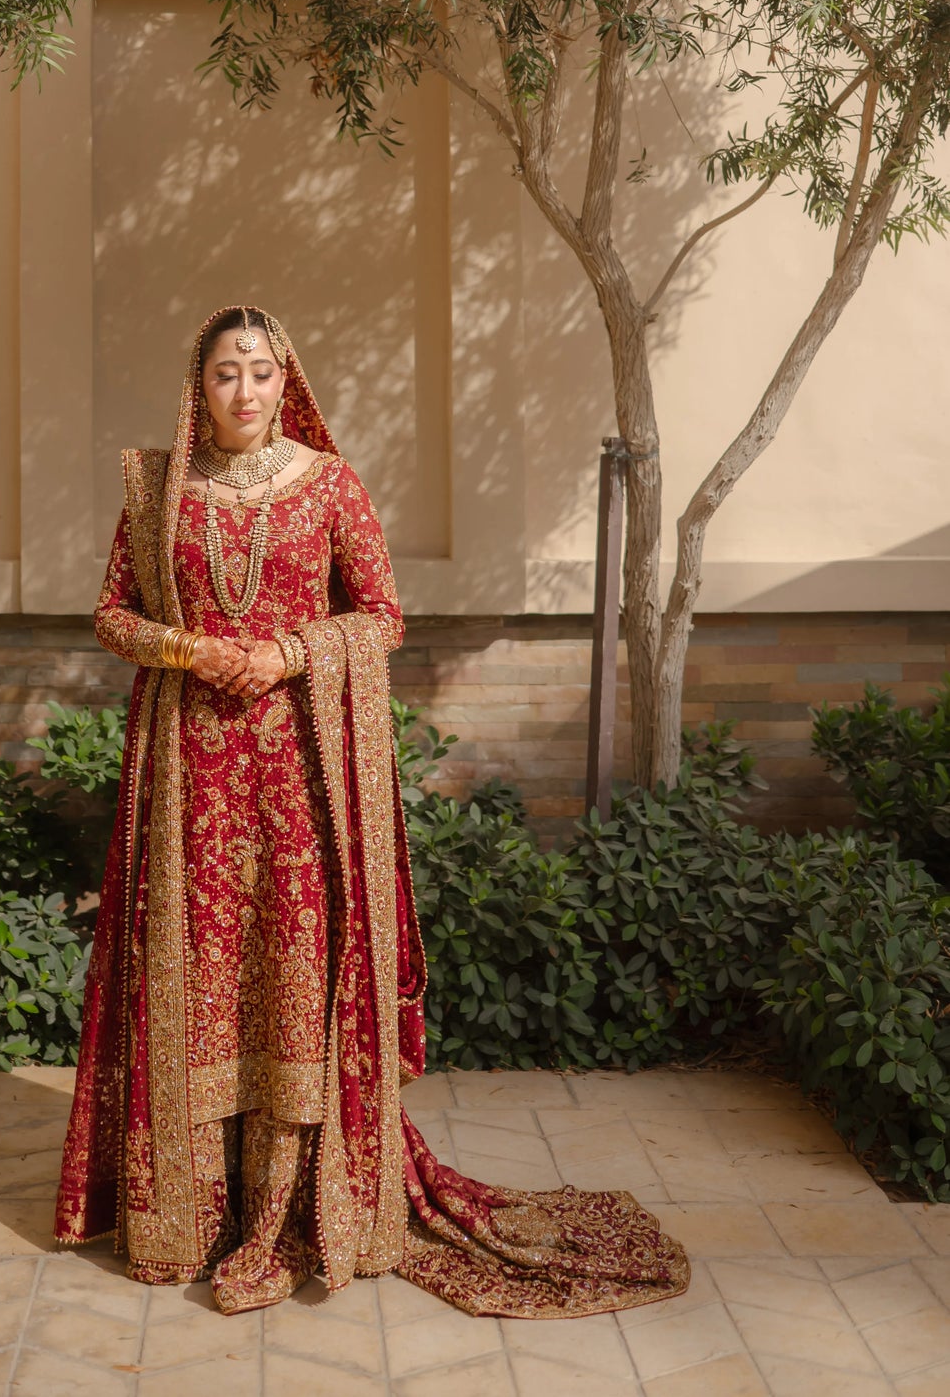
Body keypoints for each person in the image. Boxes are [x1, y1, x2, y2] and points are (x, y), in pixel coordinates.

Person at [55, 304, 688, 1318]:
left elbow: (382, 617)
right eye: (225, 373)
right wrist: (188, 649)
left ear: (286, 380)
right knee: (196, 974)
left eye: (261, 371)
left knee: (289, 976)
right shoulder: (159, 491)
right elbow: (110, 614)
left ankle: (284, 1208)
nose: (244, 390)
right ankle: (188, 1215)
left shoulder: (329, 484)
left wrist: (286, 653)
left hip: (299, 776)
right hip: (190, 773)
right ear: (197, 387)